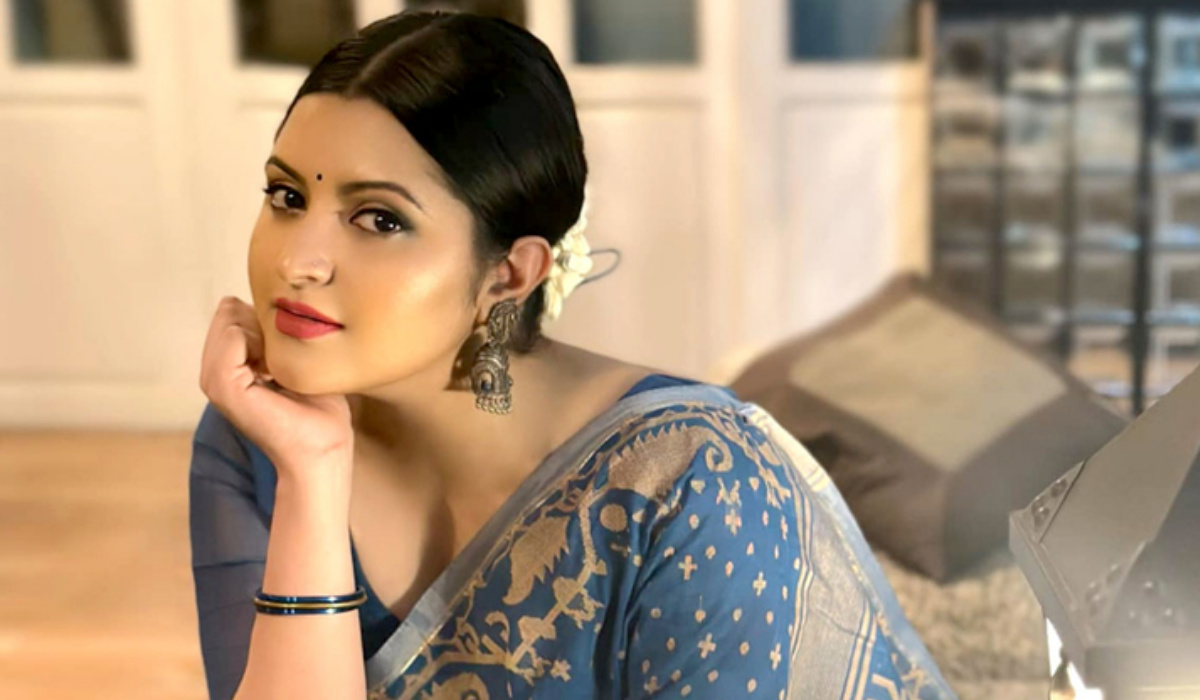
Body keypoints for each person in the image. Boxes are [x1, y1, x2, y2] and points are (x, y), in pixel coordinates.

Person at [189, 10, 958, 700]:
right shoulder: (266, 440)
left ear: (508, 274)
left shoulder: (691, 484)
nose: (297, 261)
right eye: (287, 197)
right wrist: (314, 473)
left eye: (379, 220)